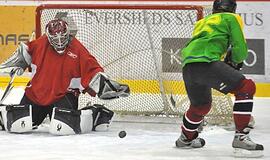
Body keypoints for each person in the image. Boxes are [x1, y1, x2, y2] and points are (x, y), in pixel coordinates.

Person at [0, 19, 130, 135]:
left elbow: (91, 67)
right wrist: (15, 63)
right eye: (55, 39)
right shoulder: (41, 44)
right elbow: (26, 50)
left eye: (63, 37)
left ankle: (96, 113)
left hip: (64, 95)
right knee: (17, 124)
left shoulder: (77, 48)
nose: (60, 42)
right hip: (36, 95)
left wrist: (105, 86)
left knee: (63, 127)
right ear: (48, 37)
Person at [175, 0, 263, 157]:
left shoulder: (203, 22)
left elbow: (206, 42)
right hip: (207, 62)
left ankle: (185, 138)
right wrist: (236, 60)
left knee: (200, 106)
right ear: (233, 8)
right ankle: (241, 137)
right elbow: (239, 47)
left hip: (188, 65)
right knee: (246, 87)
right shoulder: (231, 18)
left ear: (214, 9)